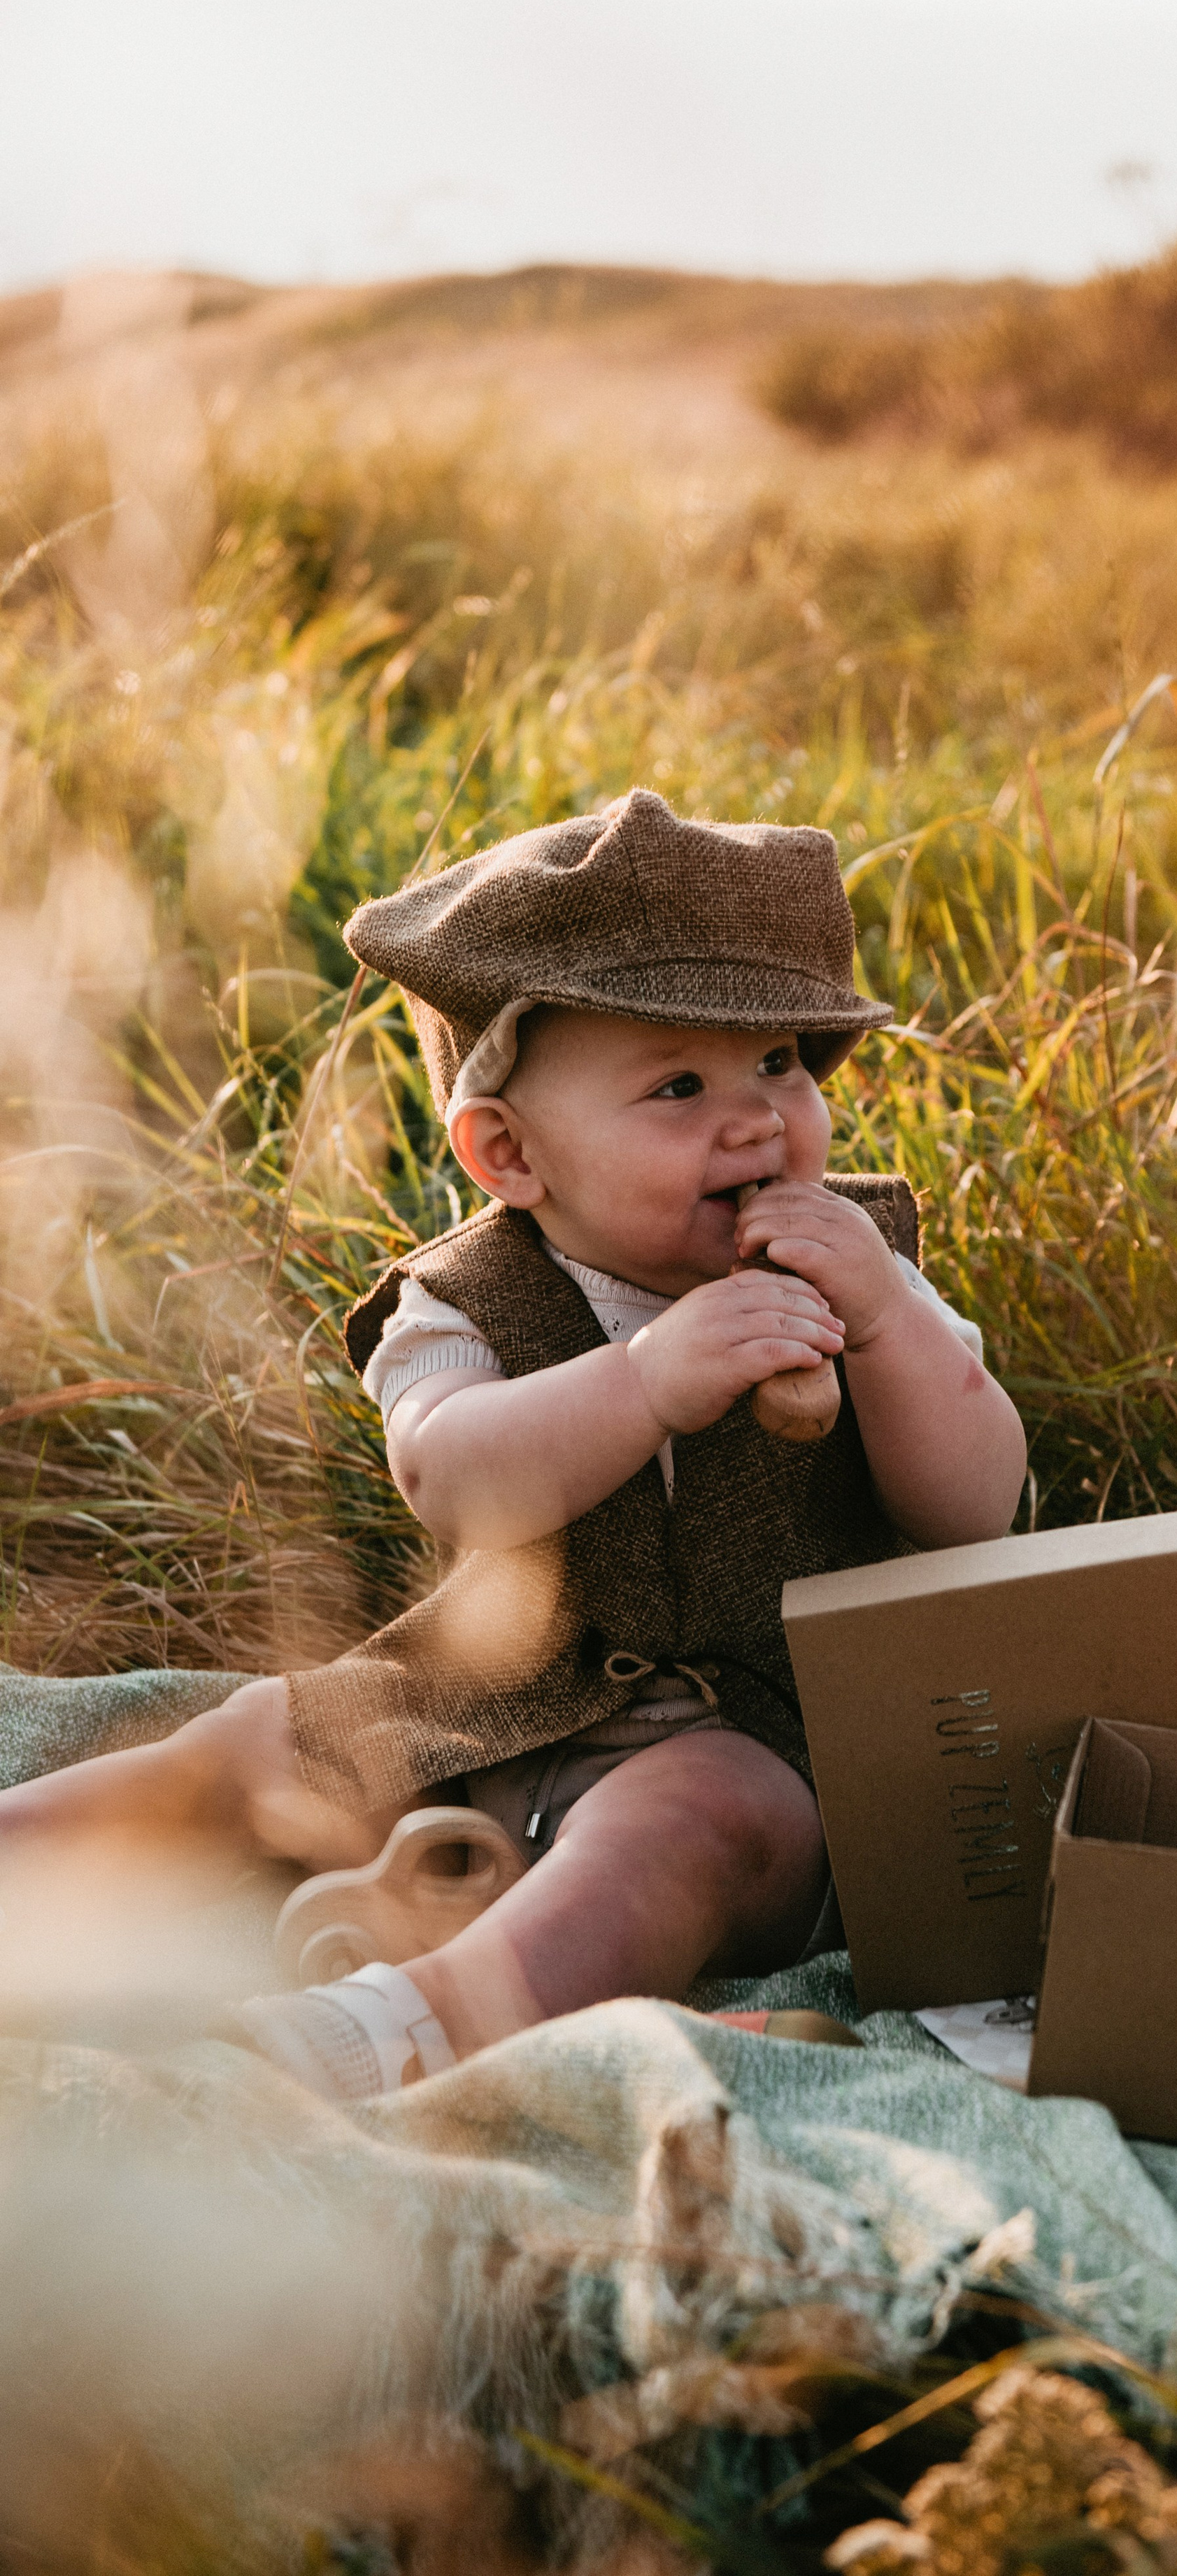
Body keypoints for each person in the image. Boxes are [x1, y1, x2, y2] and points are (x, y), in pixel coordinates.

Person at [0, 792, 1029, 2098]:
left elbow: (972, 1511)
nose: (761, 1119)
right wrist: (645, 1381)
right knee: (253, 1739)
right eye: (678, 1085)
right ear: (509, 1152)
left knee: (685, 1831)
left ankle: (412, 2021)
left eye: (781, 1062)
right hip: (478, 1707)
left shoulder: (864, 1272)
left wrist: (885, 1327)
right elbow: (458, 1480)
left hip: (760, 1738)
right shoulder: (465, 1301)